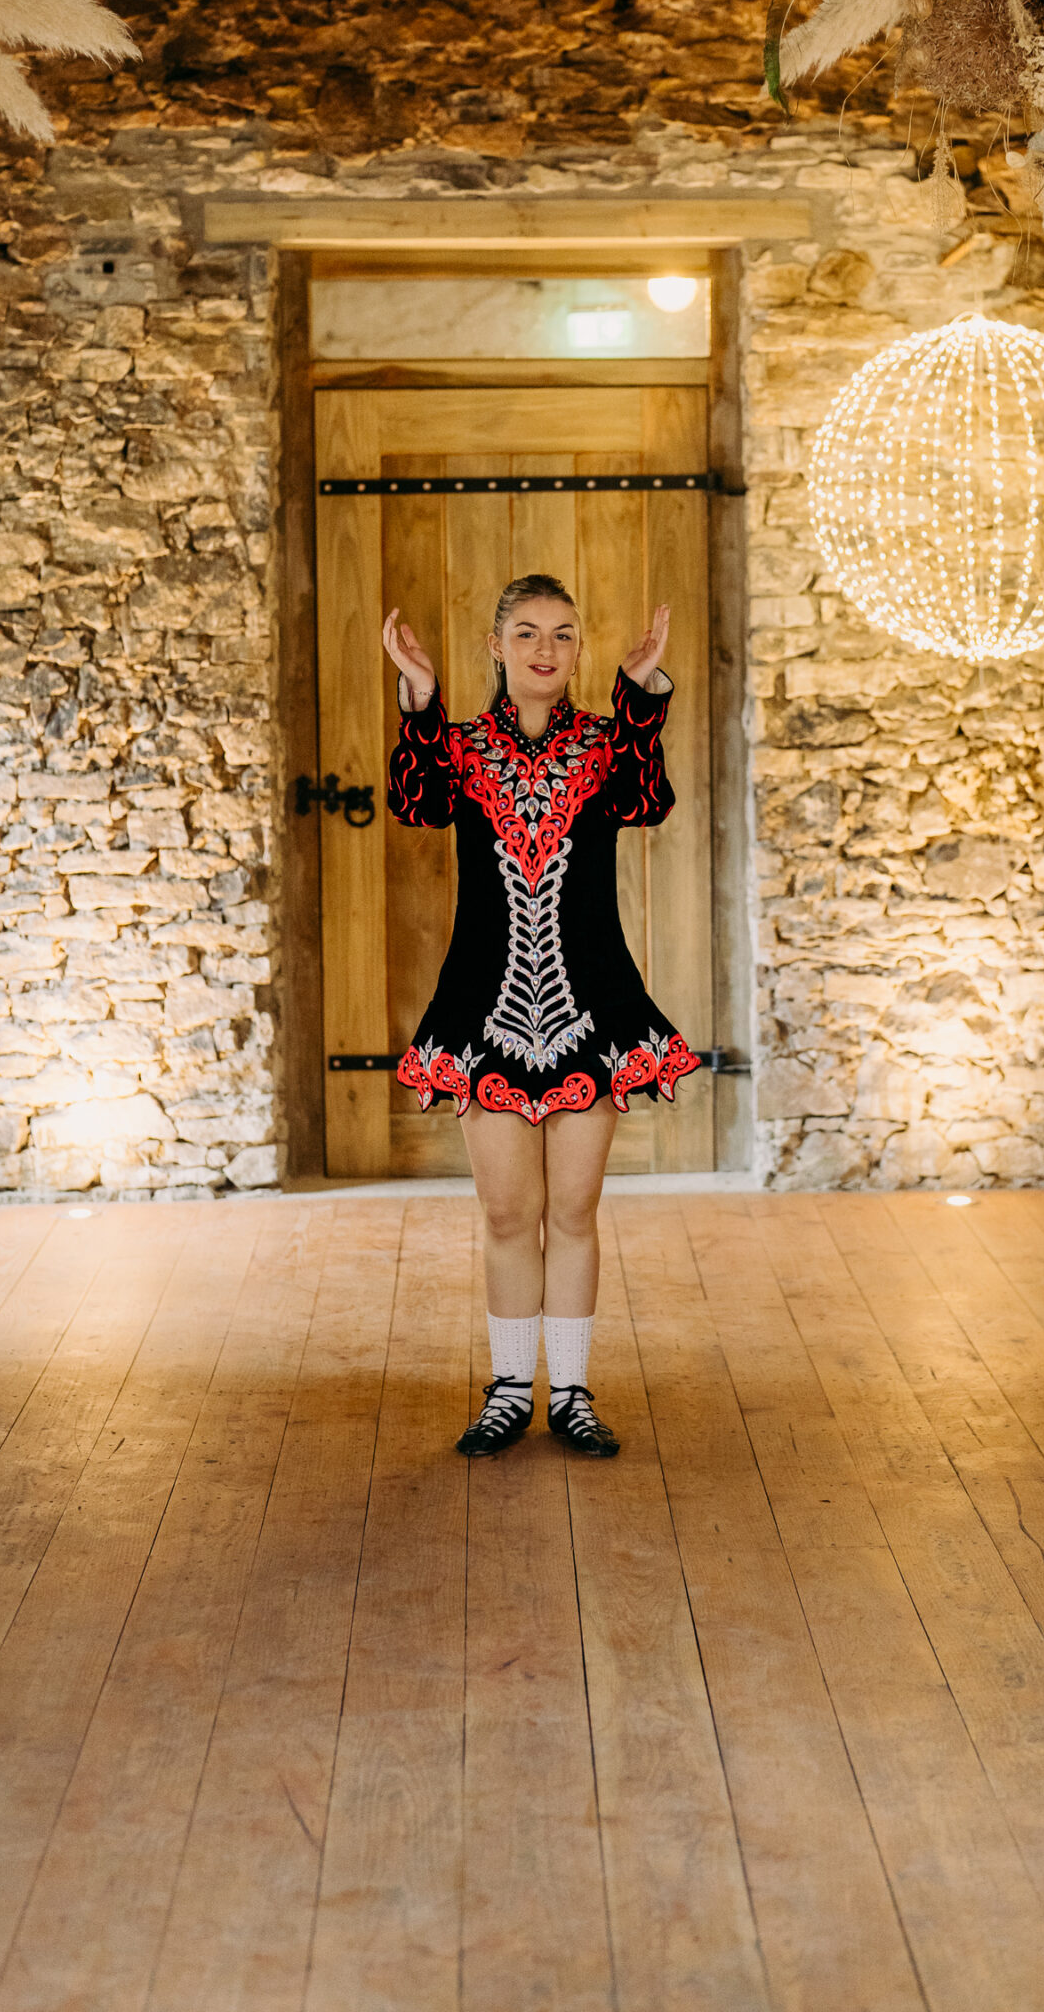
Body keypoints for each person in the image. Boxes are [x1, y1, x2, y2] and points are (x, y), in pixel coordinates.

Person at [383, 571, 699, 1461]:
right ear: (497, 646)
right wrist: (417, 697)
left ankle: (570, 1393)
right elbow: (416, 803)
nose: (545, 650)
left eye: (562, 634)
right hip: (486, 1008)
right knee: (506, 1214)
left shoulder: (604, 746)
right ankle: (508, 1390)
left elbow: (647, 801)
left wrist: (640, 695)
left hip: (588, 1009)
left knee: (574, 1212)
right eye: (526, 633)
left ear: (577, 650)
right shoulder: (458, 749)